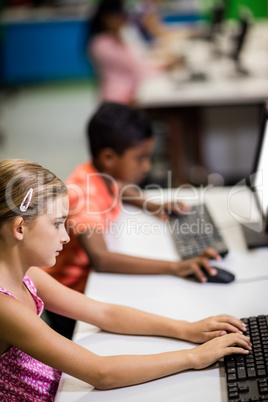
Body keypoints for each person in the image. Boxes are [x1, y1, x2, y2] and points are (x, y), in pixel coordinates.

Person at [0, 158, 251, 401]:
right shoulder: (5, 307)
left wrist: (187, 328)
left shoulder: (27, 273)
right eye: (57, 224)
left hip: (62, 387)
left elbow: (103, 313)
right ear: (20, 228)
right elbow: (101, 372)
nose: (66, 237)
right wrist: (194, 357)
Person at [42, 102, 223, 337]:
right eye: (140, 158)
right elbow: (103, 259)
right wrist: (176, 267)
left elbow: (119, 188)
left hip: (88, 286)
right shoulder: (83, 198)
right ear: (108, 157)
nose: (146, 166)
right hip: (68, 297)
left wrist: (152, 205)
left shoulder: (99, 171)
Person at [86, 0, 177, 104]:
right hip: (119, 99)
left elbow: (138, 63)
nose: (123, 20)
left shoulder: (119, 36)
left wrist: (164, 65)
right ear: (106, 18)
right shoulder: (102, 44)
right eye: (119, 15)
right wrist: (165, 67)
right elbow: (136, 70)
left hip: (131, 91)